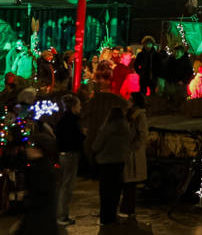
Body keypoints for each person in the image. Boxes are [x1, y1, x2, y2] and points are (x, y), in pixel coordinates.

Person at [87, 97, 133, 226]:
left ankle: (105, 218)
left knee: (105, 192)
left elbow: (96, 145)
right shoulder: (126, 129)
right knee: (116, 191)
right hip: (119, 162)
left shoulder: (107, 129)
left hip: (106, 163)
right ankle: (113, 216)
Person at [53, 94, 84, 223]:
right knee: (66, 186)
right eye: (79, 105)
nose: (80, 107)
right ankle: (61, 215)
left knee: (64, 185)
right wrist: (83, 136)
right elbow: (72, 139)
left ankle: (61, 214)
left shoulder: (63, 120)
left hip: (64, 154)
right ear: (73, 107)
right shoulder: (72, 121)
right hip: (70, 154)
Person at [119, 97, 150, 217]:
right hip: (130, 152)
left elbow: (143, 135)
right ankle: (128, 209)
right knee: (128, 182)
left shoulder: (139, 116)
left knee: (130, 182)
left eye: (130, 99)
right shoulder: (132, 115)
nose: (127, 101)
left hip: (133, 154)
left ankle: (127, 209)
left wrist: (133, 146)